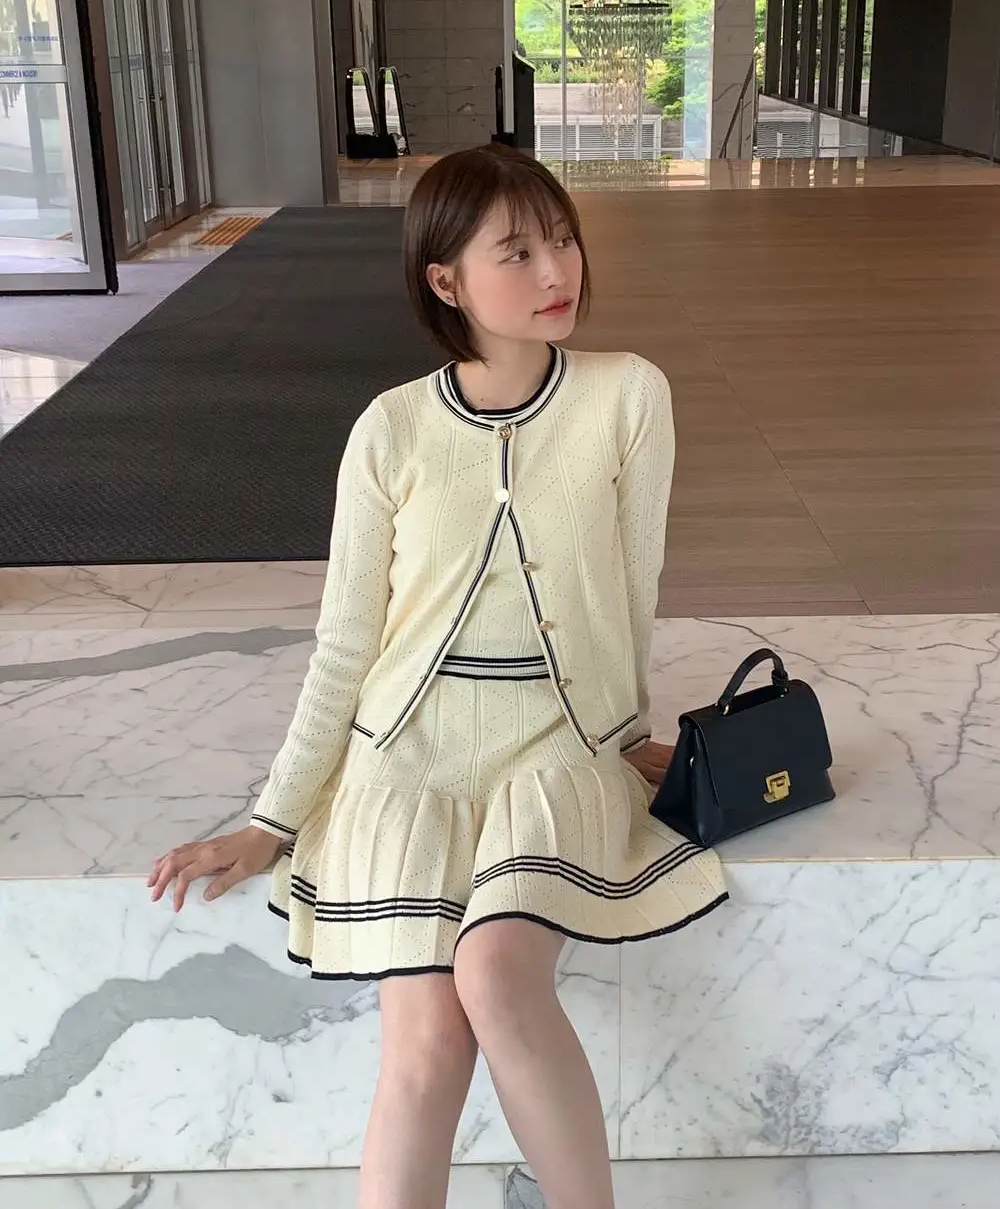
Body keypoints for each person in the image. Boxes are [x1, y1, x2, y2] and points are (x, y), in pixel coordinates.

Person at [148, 145, 728, 1209]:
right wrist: (273, 819)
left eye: (563, 239)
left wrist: (620, 734)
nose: (557, 270)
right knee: (423, 1039)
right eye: (518, 251)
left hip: (553, 747)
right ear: (445, 280)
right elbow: (346, 643)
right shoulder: (392, 428)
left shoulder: (628, 395)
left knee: (497, 974)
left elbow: (631, 587)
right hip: (406, 753)